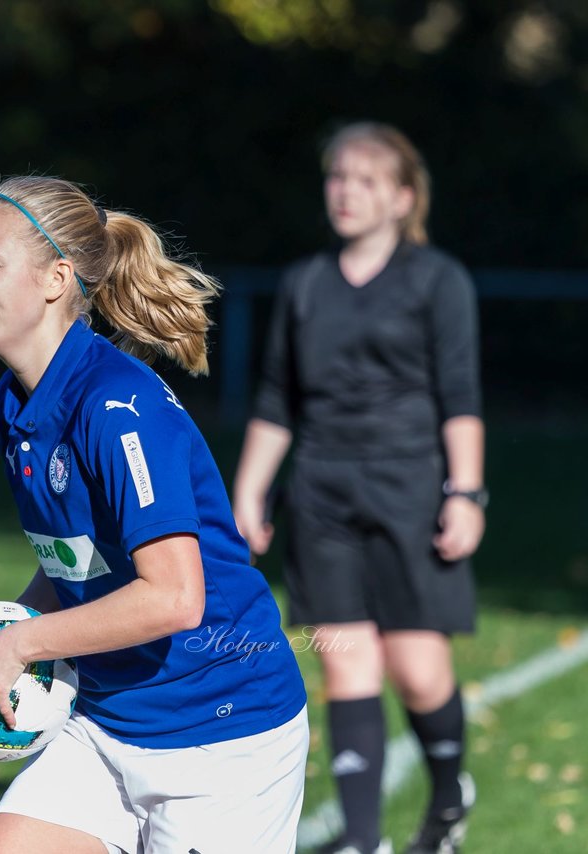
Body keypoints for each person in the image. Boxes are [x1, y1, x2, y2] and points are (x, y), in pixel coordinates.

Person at [0, 175, 309, 854]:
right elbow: (76, 557)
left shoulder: (117, 409)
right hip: (104, 725)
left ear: (56, 279)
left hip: (219, 735)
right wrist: (5, 630)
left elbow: (173, 598)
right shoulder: (12, 403)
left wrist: (19, 645)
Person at [232, 123, 485, 854]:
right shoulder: (306, 283)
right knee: (344, 658)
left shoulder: (439, 280)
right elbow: (278, 399)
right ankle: (365, 841)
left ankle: (446, 799)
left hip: (411, 494)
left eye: (365, 180)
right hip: (321, 497)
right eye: (337, 176)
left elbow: (460, 396)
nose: (344, 192)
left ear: (403, 198)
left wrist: (465, 493)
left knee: (419, 669)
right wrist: (250, 491)